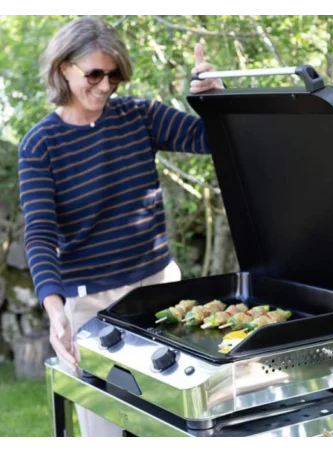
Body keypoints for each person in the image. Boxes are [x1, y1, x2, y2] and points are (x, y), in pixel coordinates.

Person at [18, 16, 223, 439]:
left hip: (161, 294)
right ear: (64, 68)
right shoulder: (40, 145)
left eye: (114, 75)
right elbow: (39, 235)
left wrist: (213, 101)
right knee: (107, 434)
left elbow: (214, 140)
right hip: (91, 307)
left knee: (175, 427)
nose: (105, 85)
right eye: (94, 74)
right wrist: (55, 311)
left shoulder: (139, 116)